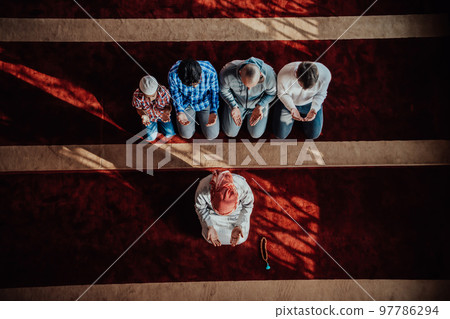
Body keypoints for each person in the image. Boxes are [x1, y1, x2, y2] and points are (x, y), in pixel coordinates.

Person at [219, 57, 276, 138]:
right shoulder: (227, 72)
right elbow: (223, 91)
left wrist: (260, 106)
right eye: (245, 85)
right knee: (230, 133)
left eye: (253, 85)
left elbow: (271, 94)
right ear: (240, 72)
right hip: (237, 102)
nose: (249, 89)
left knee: (256, 135)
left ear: (260, 74)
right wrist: (233, 106)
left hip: (258, 103)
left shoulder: (269, 74)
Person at [273, 61, 331, 139]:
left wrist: (315, 108)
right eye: (301, 85)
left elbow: (321, 94)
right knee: (280, 135)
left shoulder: (325, 74)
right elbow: (282, 94)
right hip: (288, 101)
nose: (305, 90)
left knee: (313, 135)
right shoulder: (284, 75)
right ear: (296, 73)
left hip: (309, 103)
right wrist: (292, 107)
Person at [195, 170, 254, 247]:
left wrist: (239, 225)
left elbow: (248, 206)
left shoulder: (242, 186)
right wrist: (209, 226)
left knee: (241, 238)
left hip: (236, 213)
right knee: (209, 236)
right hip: (212, 213)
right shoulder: (203, 188)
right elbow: (201, 208)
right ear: (212, 197)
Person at [168, 59, 220, 140]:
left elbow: (214, 92)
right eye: (190, 85)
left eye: (197, 83)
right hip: (186, 103)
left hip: (205, 102)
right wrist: (180, 111)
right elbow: (175, 94)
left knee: (212, 135)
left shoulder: (210, 72)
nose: (195, 86)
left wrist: (213, 111)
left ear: (200, 74)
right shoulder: (173, 74)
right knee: (186, 135)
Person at [132, 75, 175, 141]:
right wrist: (143, 115)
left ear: (157, 89)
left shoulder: (164, 92)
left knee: (169, 134)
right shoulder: (137, 95)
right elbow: (139, 109)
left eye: (152, 96)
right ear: (142, 92)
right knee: (150, 138)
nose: (150, 99)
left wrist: (166, 113)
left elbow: (168, 105)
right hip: (149, 118)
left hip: (162, 115)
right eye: (147, 97)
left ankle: (160, 127)